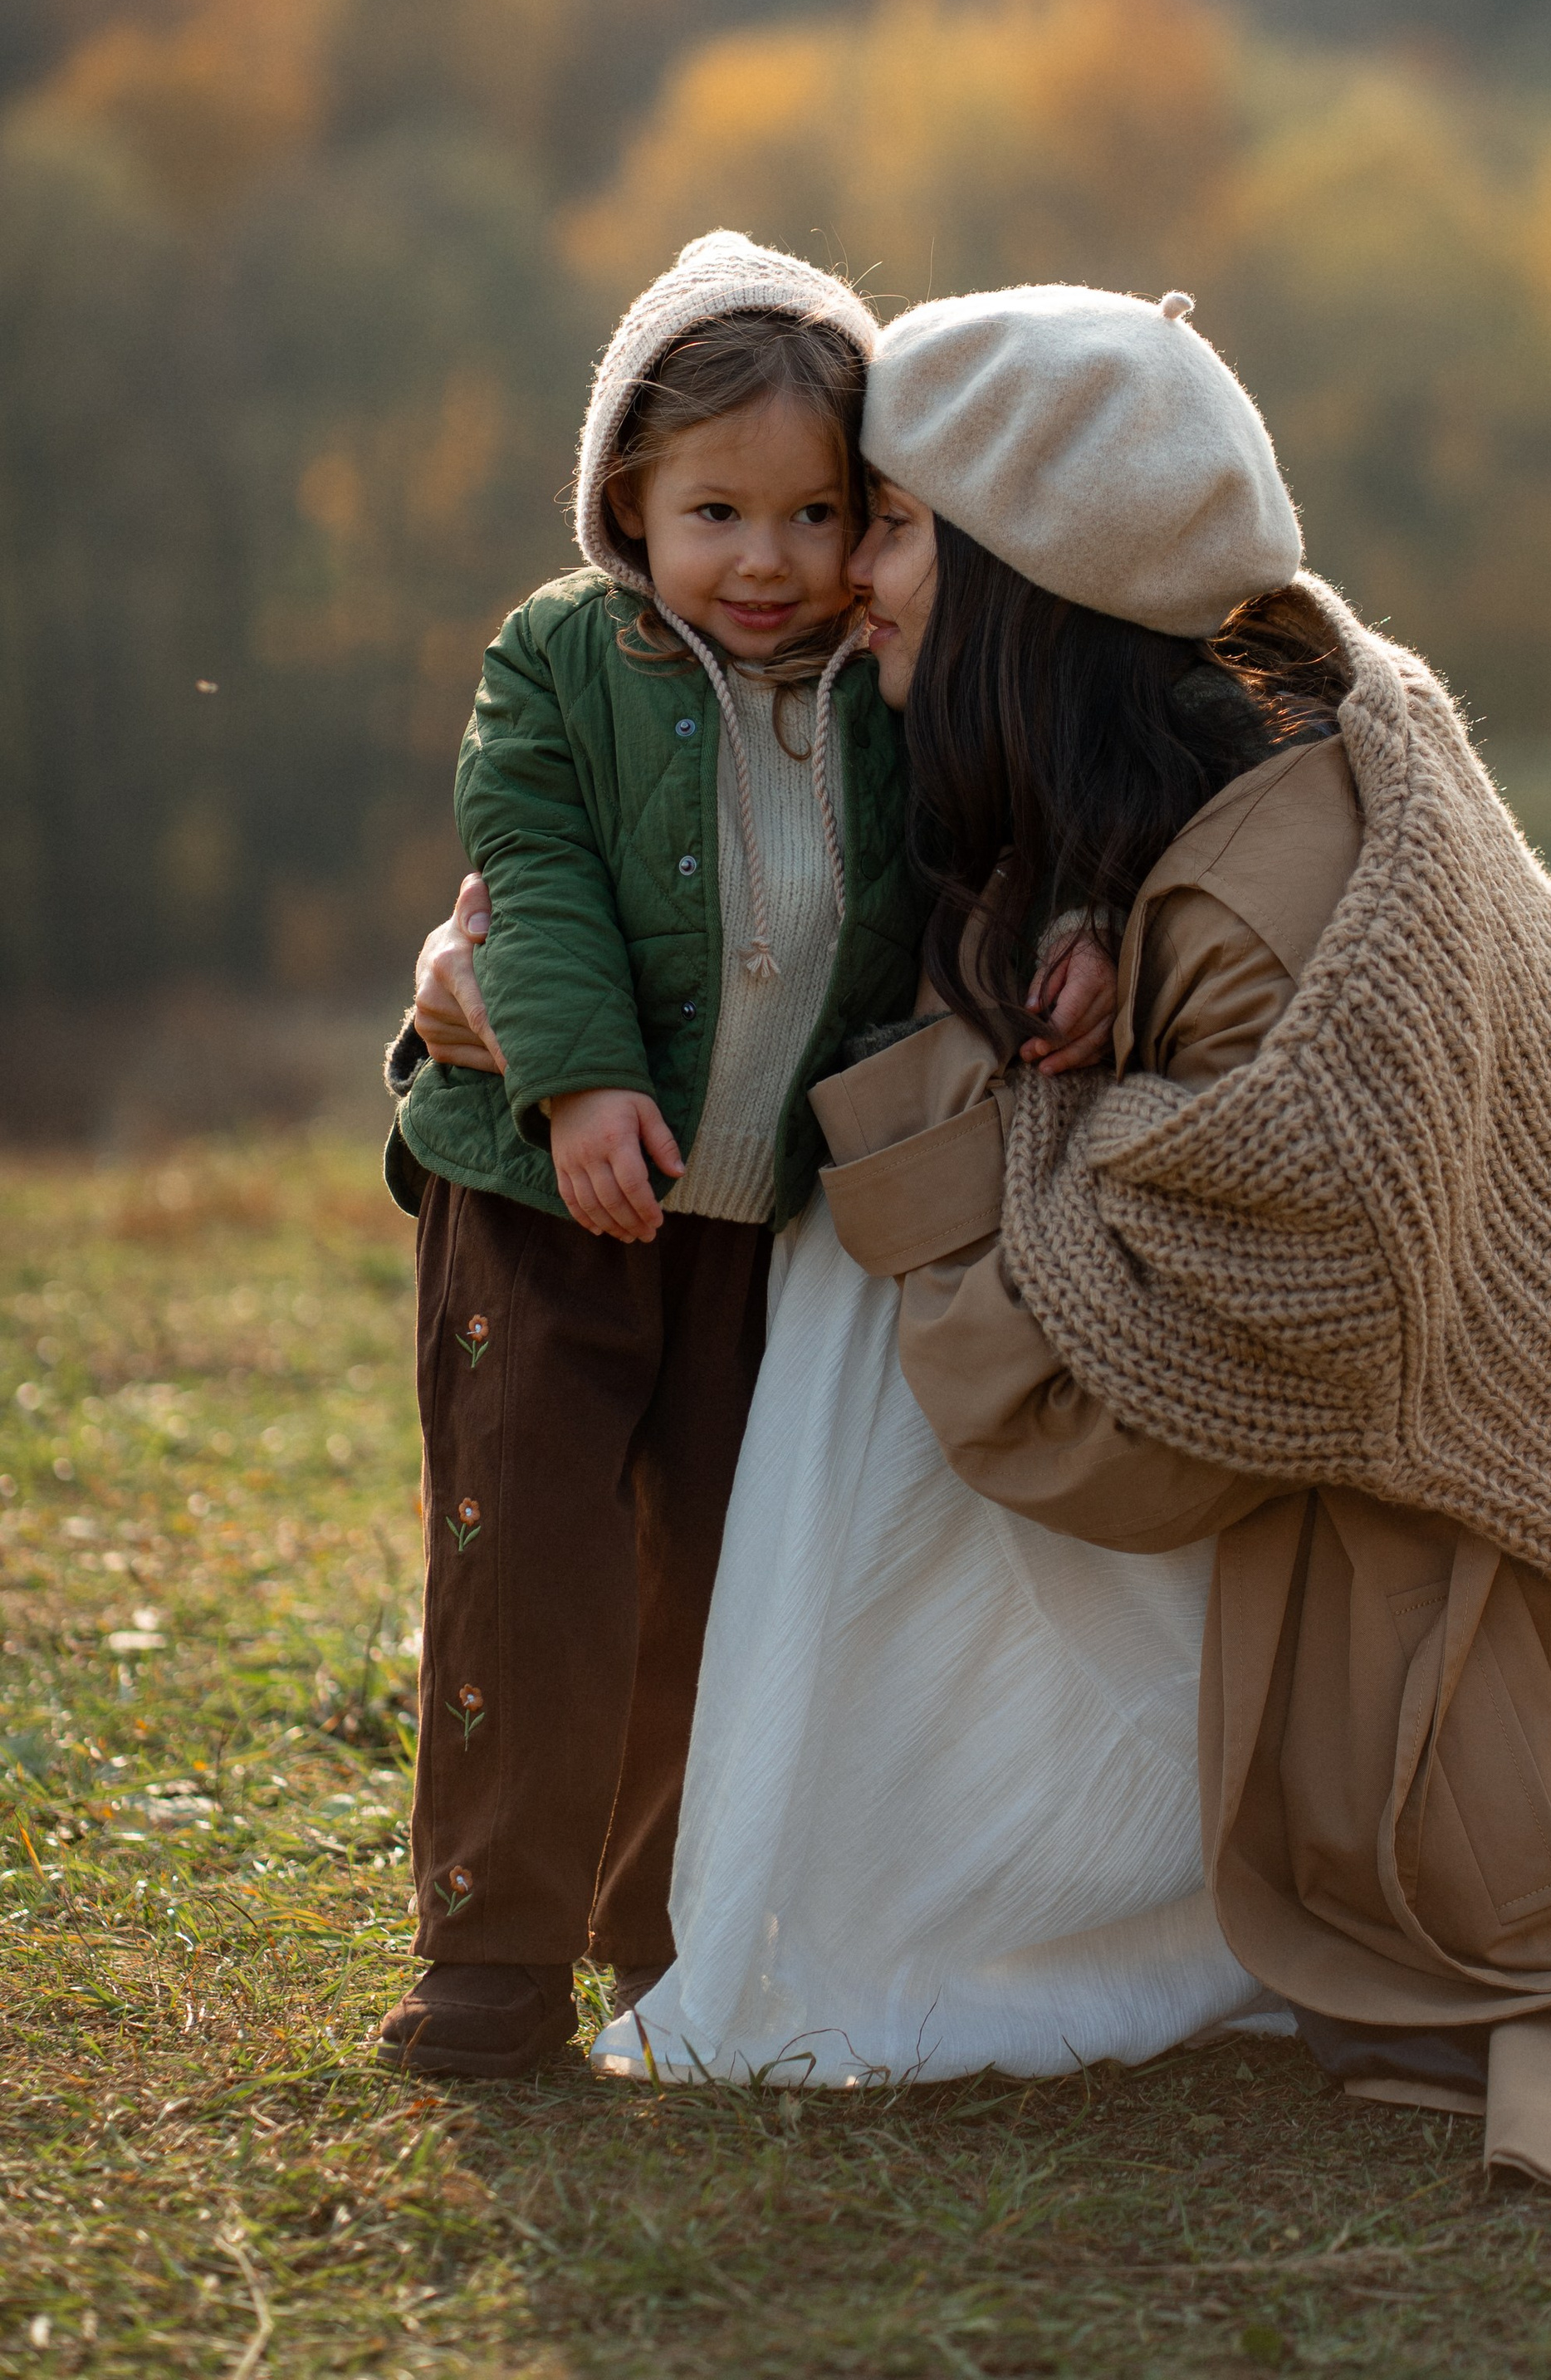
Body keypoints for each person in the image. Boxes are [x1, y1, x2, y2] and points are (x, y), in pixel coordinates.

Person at [609, 281, 1551, 2187]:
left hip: (1527, 1687)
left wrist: (955, 1122)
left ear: (1030, 575)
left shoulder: (1270, 912)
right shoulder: (1235, 754)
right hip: (1532, 1587)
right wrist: (493, 971)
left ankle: (897, 1907)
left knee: (888, 1250)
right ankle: (819, 1866)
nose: (849, 575)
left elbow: (1131, 1432)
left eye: (896, 525)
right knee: (918, 1198)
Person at [376, 233, 1109, 2080]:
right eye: (716, 512)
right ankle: (492, 1951)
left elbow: (988, 840)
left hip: (751, 1223)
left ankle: (664, 1930)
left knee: (709, 1574)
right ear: (626, 499)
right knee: (530, 1552)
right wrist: (574, 1082)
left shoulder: (889, 687)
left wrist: (1073, 923)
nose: (767, 560)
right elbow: (533, 873)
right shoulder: (563, 656)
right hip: (537, 1194)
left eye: (814, 513)